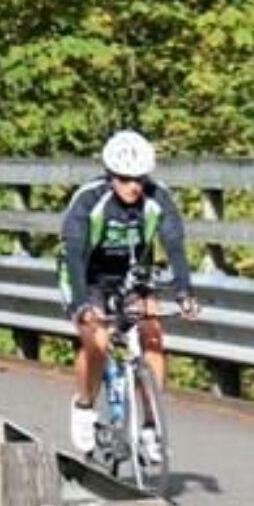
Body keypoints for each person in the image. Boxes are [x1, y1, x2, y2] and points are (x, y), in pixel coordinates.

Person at [59, 129, 200, 458]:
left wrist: (185, 292)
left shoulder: (157, 197)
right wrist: (82, 304)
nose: (132, 186)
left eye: (138, 178)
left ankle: (151, 426)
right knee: (96, 342)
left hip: (133, 274)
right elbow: (75, 254)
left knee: (152, 335)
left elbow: (175, 246)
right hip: (87, 275)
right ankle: (83, 405)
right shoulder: (89, 200)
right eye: (124, 179)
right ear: (110, 175)